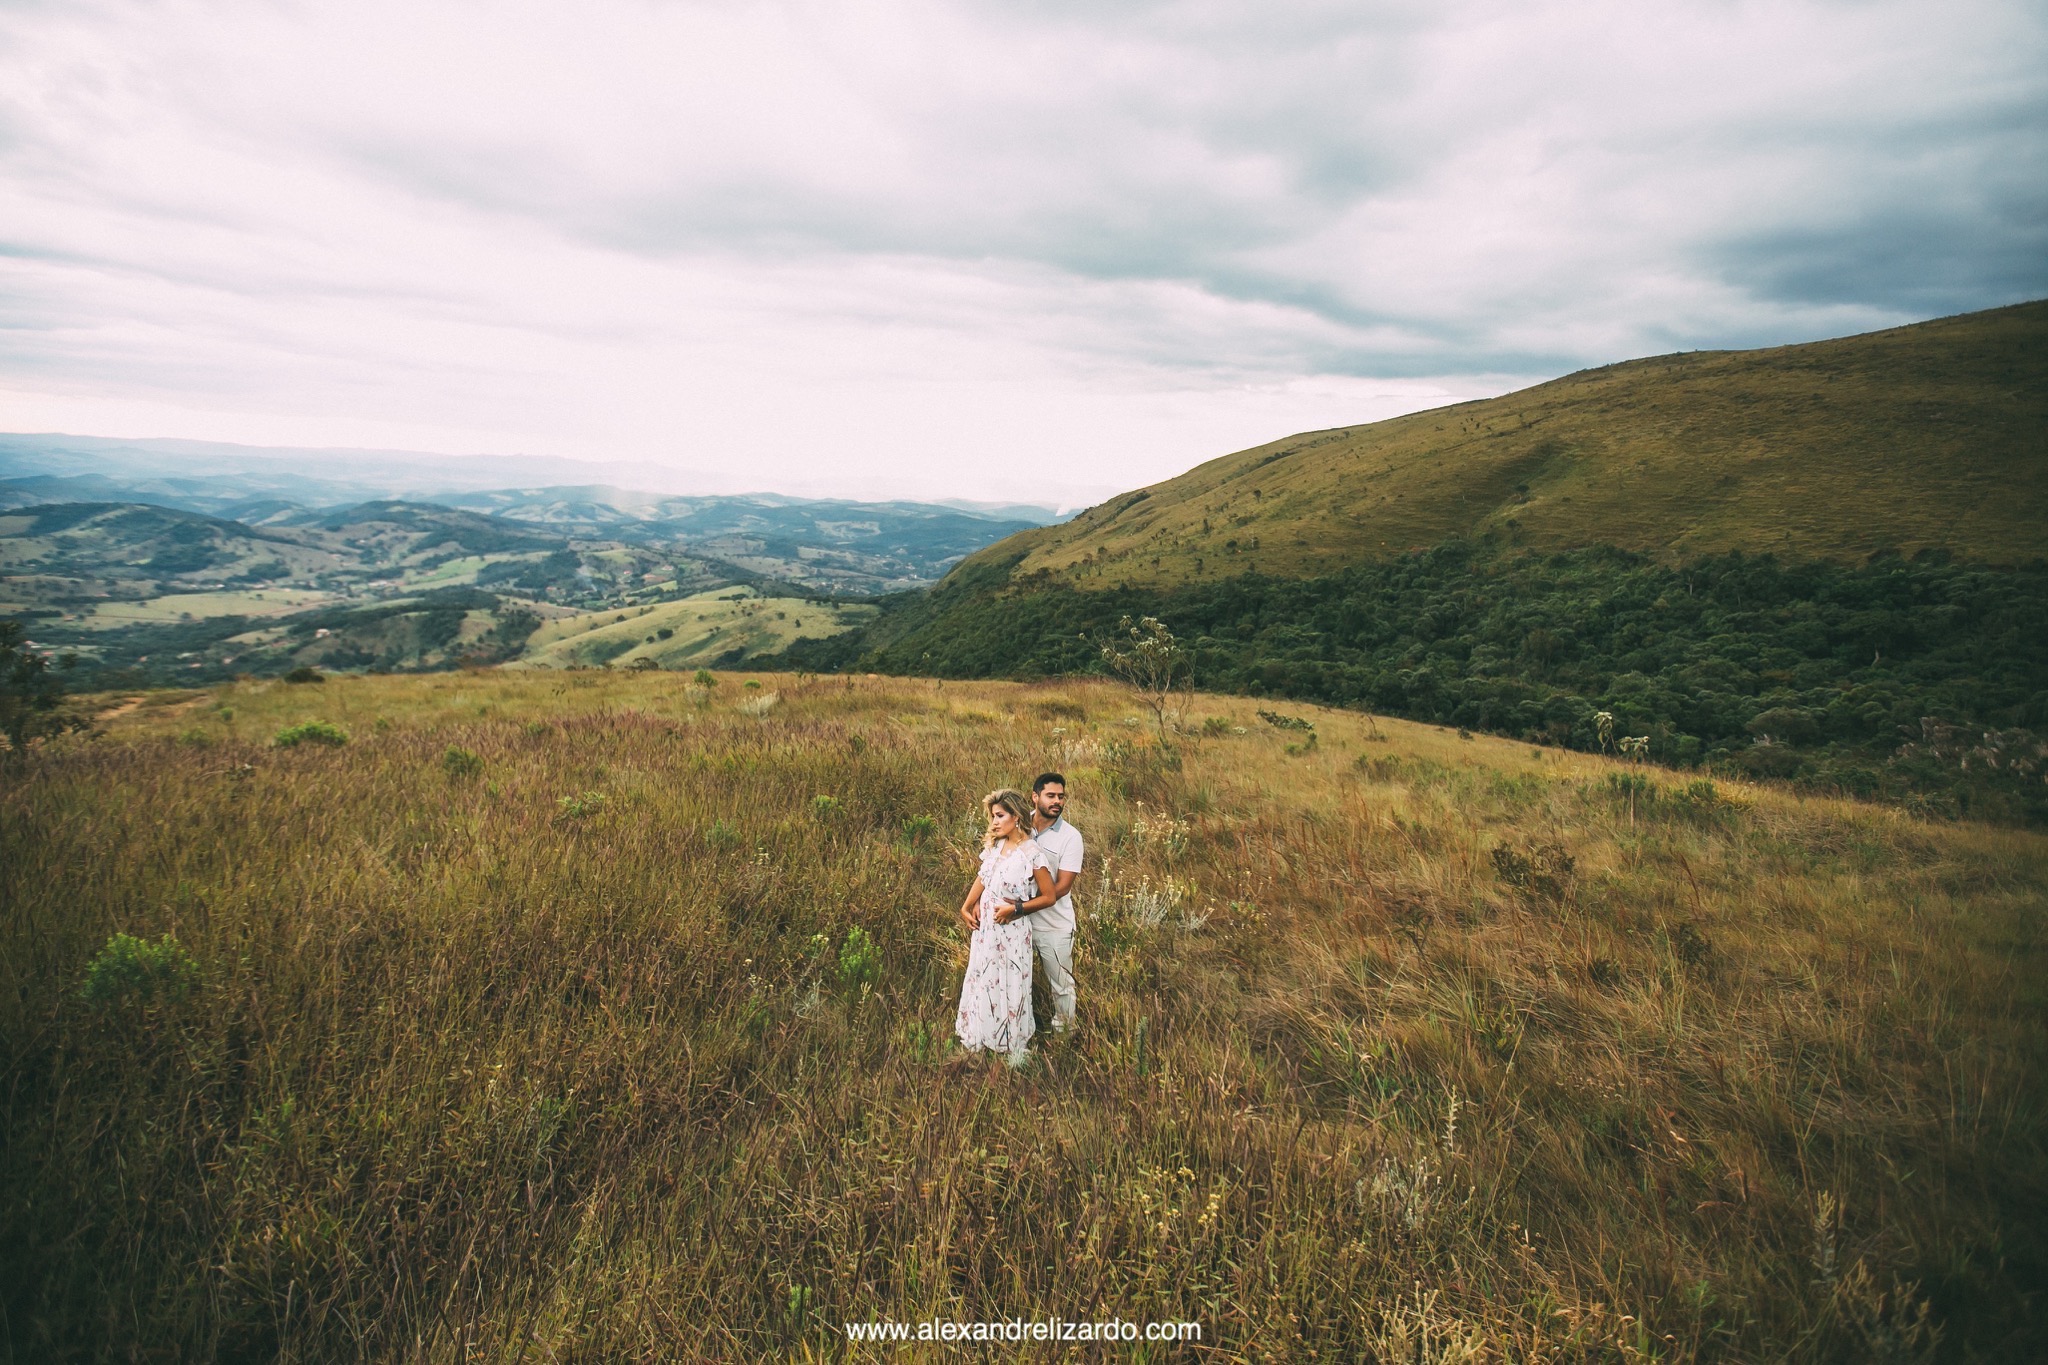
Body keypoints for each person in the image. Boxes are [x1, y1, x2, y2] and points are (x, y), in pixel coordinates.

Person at [953, 788, 1058, 1061]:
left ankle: (1009, 1039)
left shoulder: (1032, 852)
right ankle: (982, 1032)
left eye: (1000, 816)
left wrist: (1017, 909)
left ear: (1016, 816)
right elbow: (983, 877)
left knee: (1009, 982)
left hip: (1011, 929)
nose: (994, 822)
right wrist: (967, 905)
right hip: (987, 929)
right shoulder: (996, 845)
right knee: (985, 978)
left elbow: (1049, 896)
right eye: (992, 817)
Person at [1026, 771, 1084, 1033]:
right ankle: (1020, 1031)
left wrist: (1021, 907)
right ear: (1035, 797)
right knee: (1017, 979)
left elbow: (1061, 887)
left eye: (1061, 796)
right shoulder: (1018, 826)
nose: (1057, 801)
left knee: (1061, 986)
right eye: (1051, 795)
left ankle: (1064, 1037)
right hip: (1019, 924)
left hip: (1054, 926)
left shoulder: (1071, 837)